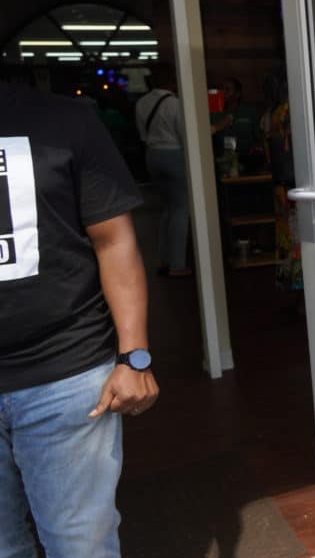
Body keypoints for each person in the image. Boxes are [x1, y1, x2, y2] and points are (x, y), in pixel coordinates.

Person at [0, 83, 159, 557]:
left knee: (79, 545)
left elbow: (114, 241)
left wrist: (134, 357)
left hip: (65, 376)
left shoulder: (61, 120)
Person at [135, 67, 191, 277]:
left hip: (152, 156)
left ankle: (164, 259)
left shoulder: (141, 103)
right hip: (173, 155)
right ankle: (177, 264)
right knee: (181, 209)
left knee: (167, 208)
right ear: (171, 81)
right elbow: (183, 134)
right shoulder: (175, 103)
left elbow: (142, 134)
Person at [262, 68, 303, 296]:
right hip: (293, 182)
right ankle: (302, 291)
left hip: (278, 184)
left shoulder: (269, 114)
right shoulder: (289, 111)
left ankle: (289, 285)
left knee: (286, 236)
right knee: (298, 237)